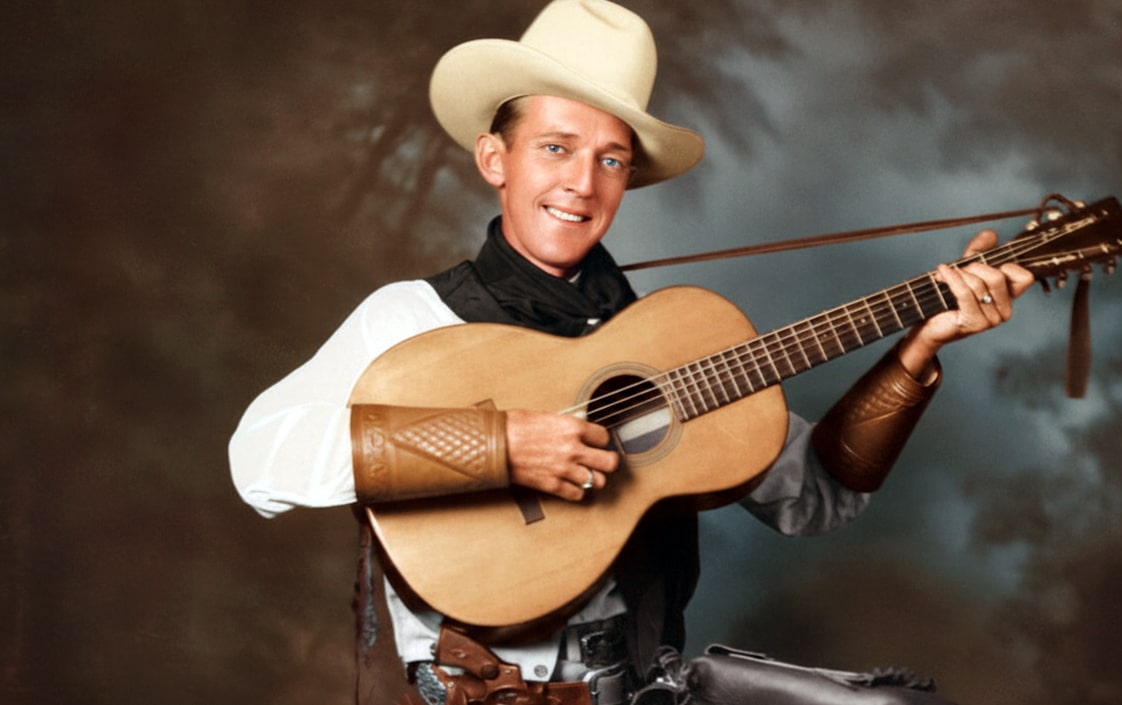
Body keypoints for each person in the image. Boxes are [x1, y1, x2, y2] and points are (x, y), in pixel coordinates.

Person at [228, 2, 1034, 704]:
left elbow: (816, 493)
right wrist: (497, 444)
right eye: (555, 147)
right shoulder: (410, 317)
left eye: (609, 158)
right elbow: (257, 460)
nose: (582, 182)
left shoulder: (671, 343)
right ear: (494, 160)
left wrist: (918, 351)